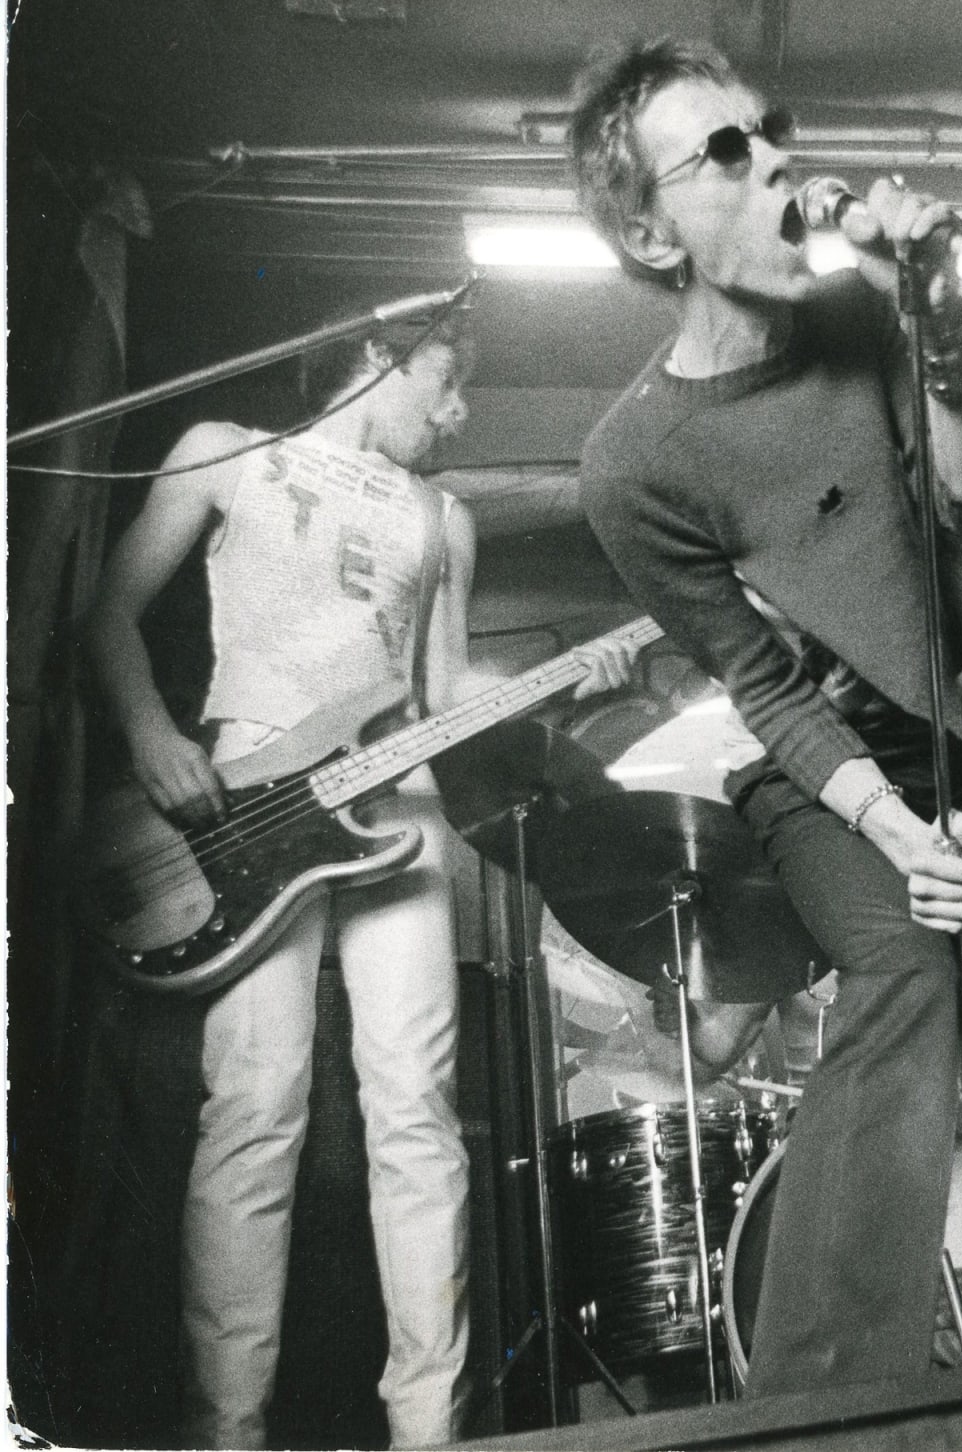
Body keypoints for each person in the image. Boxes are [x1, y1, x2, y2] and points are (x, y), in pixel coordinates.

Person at [567, 37, 962, 1395]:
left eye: (771, 129)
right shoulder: (631, 462)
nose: (779, 158)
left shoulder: (866, 324)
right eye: (726, 150)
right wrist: (891, 829)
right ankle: (818, 1401)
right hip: (814, 775)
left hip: (955, 740)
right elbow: (765, 687)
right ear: (645, 226)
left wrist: (947, 327)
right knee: (909, 973)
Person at [83, 310, 634, 1447]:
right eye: (444, 383)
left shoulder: (445, 517)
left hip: (401, 808)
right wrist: (151, 735)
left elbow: (437, 711)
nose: (459, 412)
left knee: (416, 1115)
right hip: (244, 797)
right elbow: (107, 614)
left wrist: (562, 687)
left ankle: (425, 1428)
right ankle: (222, 1428)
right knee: (254, 1105)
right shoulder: (225, 449)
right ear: (378, 361)